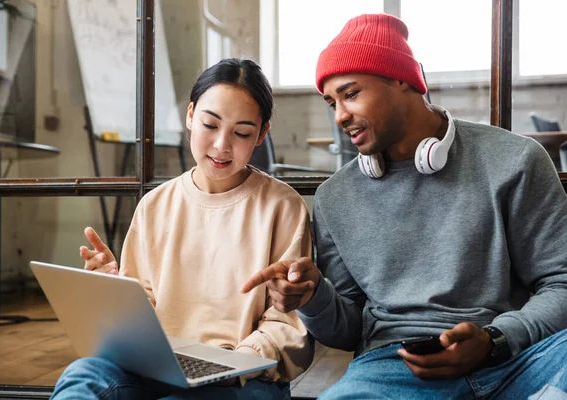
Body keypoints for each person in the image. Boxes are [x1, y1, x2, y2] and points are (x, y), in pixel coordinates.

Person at [242, 14, 567, 399]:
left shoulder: (515, 161)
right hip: (393, 370)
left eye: (350, 94)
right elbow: (348, 330)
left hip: (517, 360)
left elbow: (561, 283)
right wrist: (313, 298)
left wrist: (496, 338)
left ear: (401, 79)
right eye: (332, 103)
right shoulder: (336, 197)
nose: (340, 115)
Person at [51, 58, 314, 400]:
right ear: (191, 116)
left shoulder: (282, 206)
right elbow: (142, 309)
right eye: (210, 124)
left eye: (242, 132)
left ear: (262, 134)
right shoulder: (155, 205)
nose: (221, 145)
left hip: (248, 379)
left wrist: (237, 364)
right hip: (156, 367)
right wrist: (112, 292)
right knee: (82, 376)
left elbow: (287, 324)